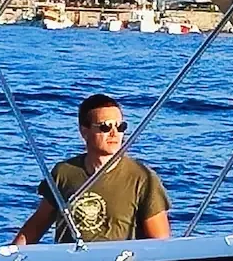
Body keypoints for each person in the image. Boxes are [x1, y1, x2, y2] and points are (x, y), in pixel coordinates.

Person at [12, 93, 170, 245]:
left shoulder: (143, 178)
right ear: (84, 131)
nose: (114, 133)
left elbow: (161, 243)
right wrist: (8, 258)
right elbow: (36, 226)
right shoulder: (64, 173)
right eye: (105, 127)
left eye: (120, 126)